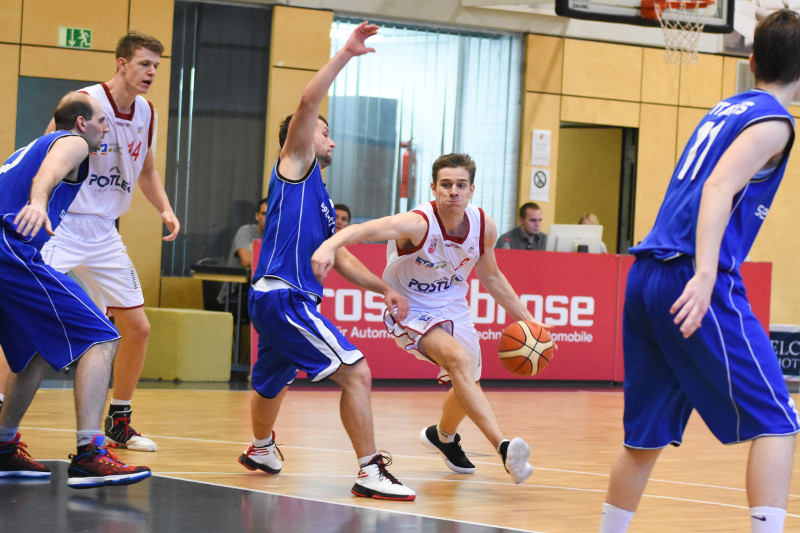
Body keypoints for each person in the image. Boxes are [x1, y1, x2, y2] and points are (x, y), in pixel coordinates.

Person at [598, 10, 800, 533]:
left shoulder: (726, 107)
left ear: (752, 61)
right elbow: (716, 190)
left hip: (646, 274)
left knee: (644, 437)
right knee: (778, 421)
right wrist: (707, 275)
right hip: (692, 275)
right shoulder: (774, 121)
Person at [237, 22, 415, 501]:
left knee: (273, 381)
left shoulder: (319, 198)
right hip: (283, 296)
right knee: (356, 372)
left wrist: (384, 289)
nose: (331, 141)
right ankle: (370, 470)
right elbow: (307, 102)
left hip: (282, 300)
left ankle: (259, 448)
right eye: (325, 132)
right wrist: (345, 55)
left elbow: (340, 256)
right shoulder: (295, 165)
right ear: (302, 136)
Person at [313, 153, 540, 484]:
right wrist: (330, 245)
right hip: (410, 306)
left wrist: (528, 320)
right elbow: (364, 229)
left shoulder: (483, 226)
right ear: (434, 188)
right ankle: (504, 448)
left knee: (469, 376)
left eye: (461, 185)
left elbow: (491, 277)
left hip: (453, 305)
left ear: (472, 190)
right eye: (446, 185)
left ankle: (443, 436)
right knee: (460, 361)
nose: (453, 192)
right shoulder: (418, 223)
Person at [0, 92, 151, 488]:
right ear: (81, 122)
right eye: (101, 120)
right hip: (11, 252)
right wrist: (37, 201)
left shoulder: (29, 147)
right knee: (102, 336)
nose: (107, 127)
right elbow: (48, 173)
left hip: (9, 253)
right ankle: (89, 454)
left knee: (34, 351)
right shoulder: (73, 142)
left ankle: (2, 447)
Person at [40, 31, 180, 453]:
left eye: (156, 65)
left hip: (104, 232)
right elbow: (48, 150)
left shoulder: (147, 113)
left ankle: (119, 418)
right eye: (144, 64)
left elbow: (148, 171)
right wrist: (37, 203)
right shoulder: (84, 102)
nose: (152, 72)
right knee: (25, 319)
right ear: (121, 63)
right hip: (62, 225)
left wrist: (165, 208)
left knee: (137, 328)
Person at [216, 198, 267, 307]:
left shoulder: (278, 236)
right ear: (257, 216)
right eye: (264, 214)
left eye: (272, 213)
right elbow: (247, 261)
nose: (267, 218)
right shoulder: (246, 231)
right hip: (235, 295)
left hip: (262, 292)